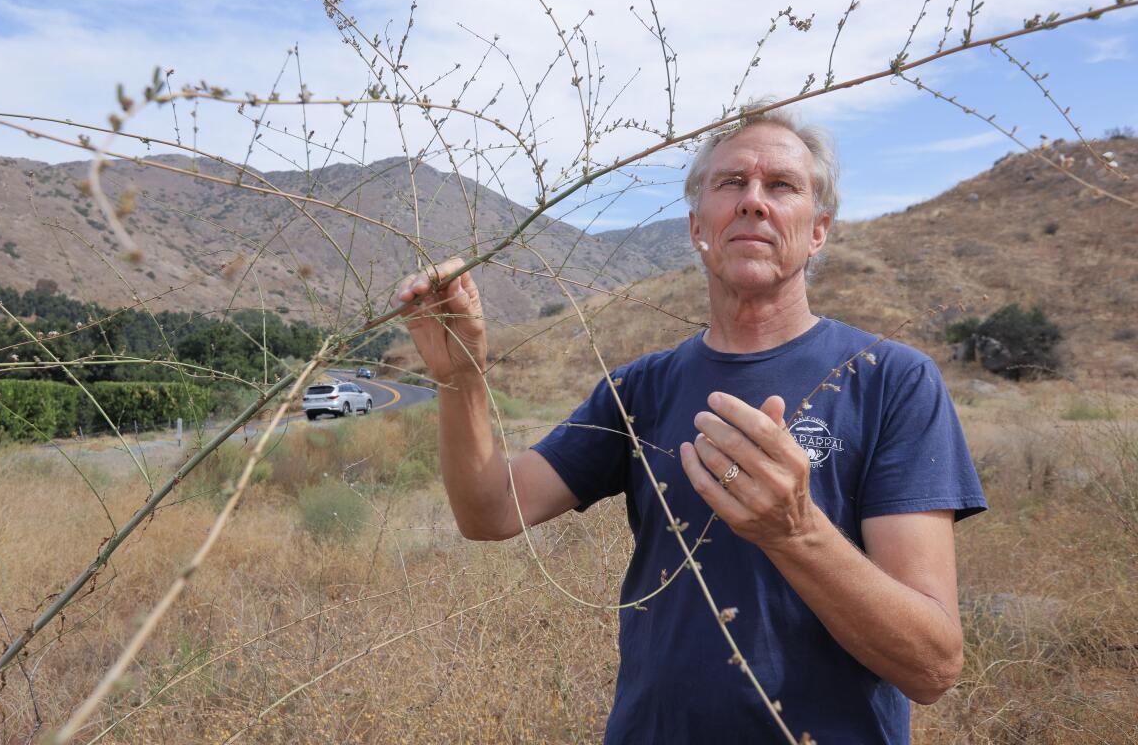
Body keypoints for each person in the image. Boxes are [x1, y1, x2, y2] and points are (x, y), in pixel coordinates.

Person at [396, 103, 986, 744]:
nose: (754, 202)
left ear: (817, 231)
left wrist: (794, 531)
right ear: (696, 225)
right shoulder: (638, 389)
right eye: (731, 183)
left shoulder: (892, 381)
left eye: (782, 186)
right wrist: (462, 380)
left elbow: (932, 666)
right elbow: (488, 512)